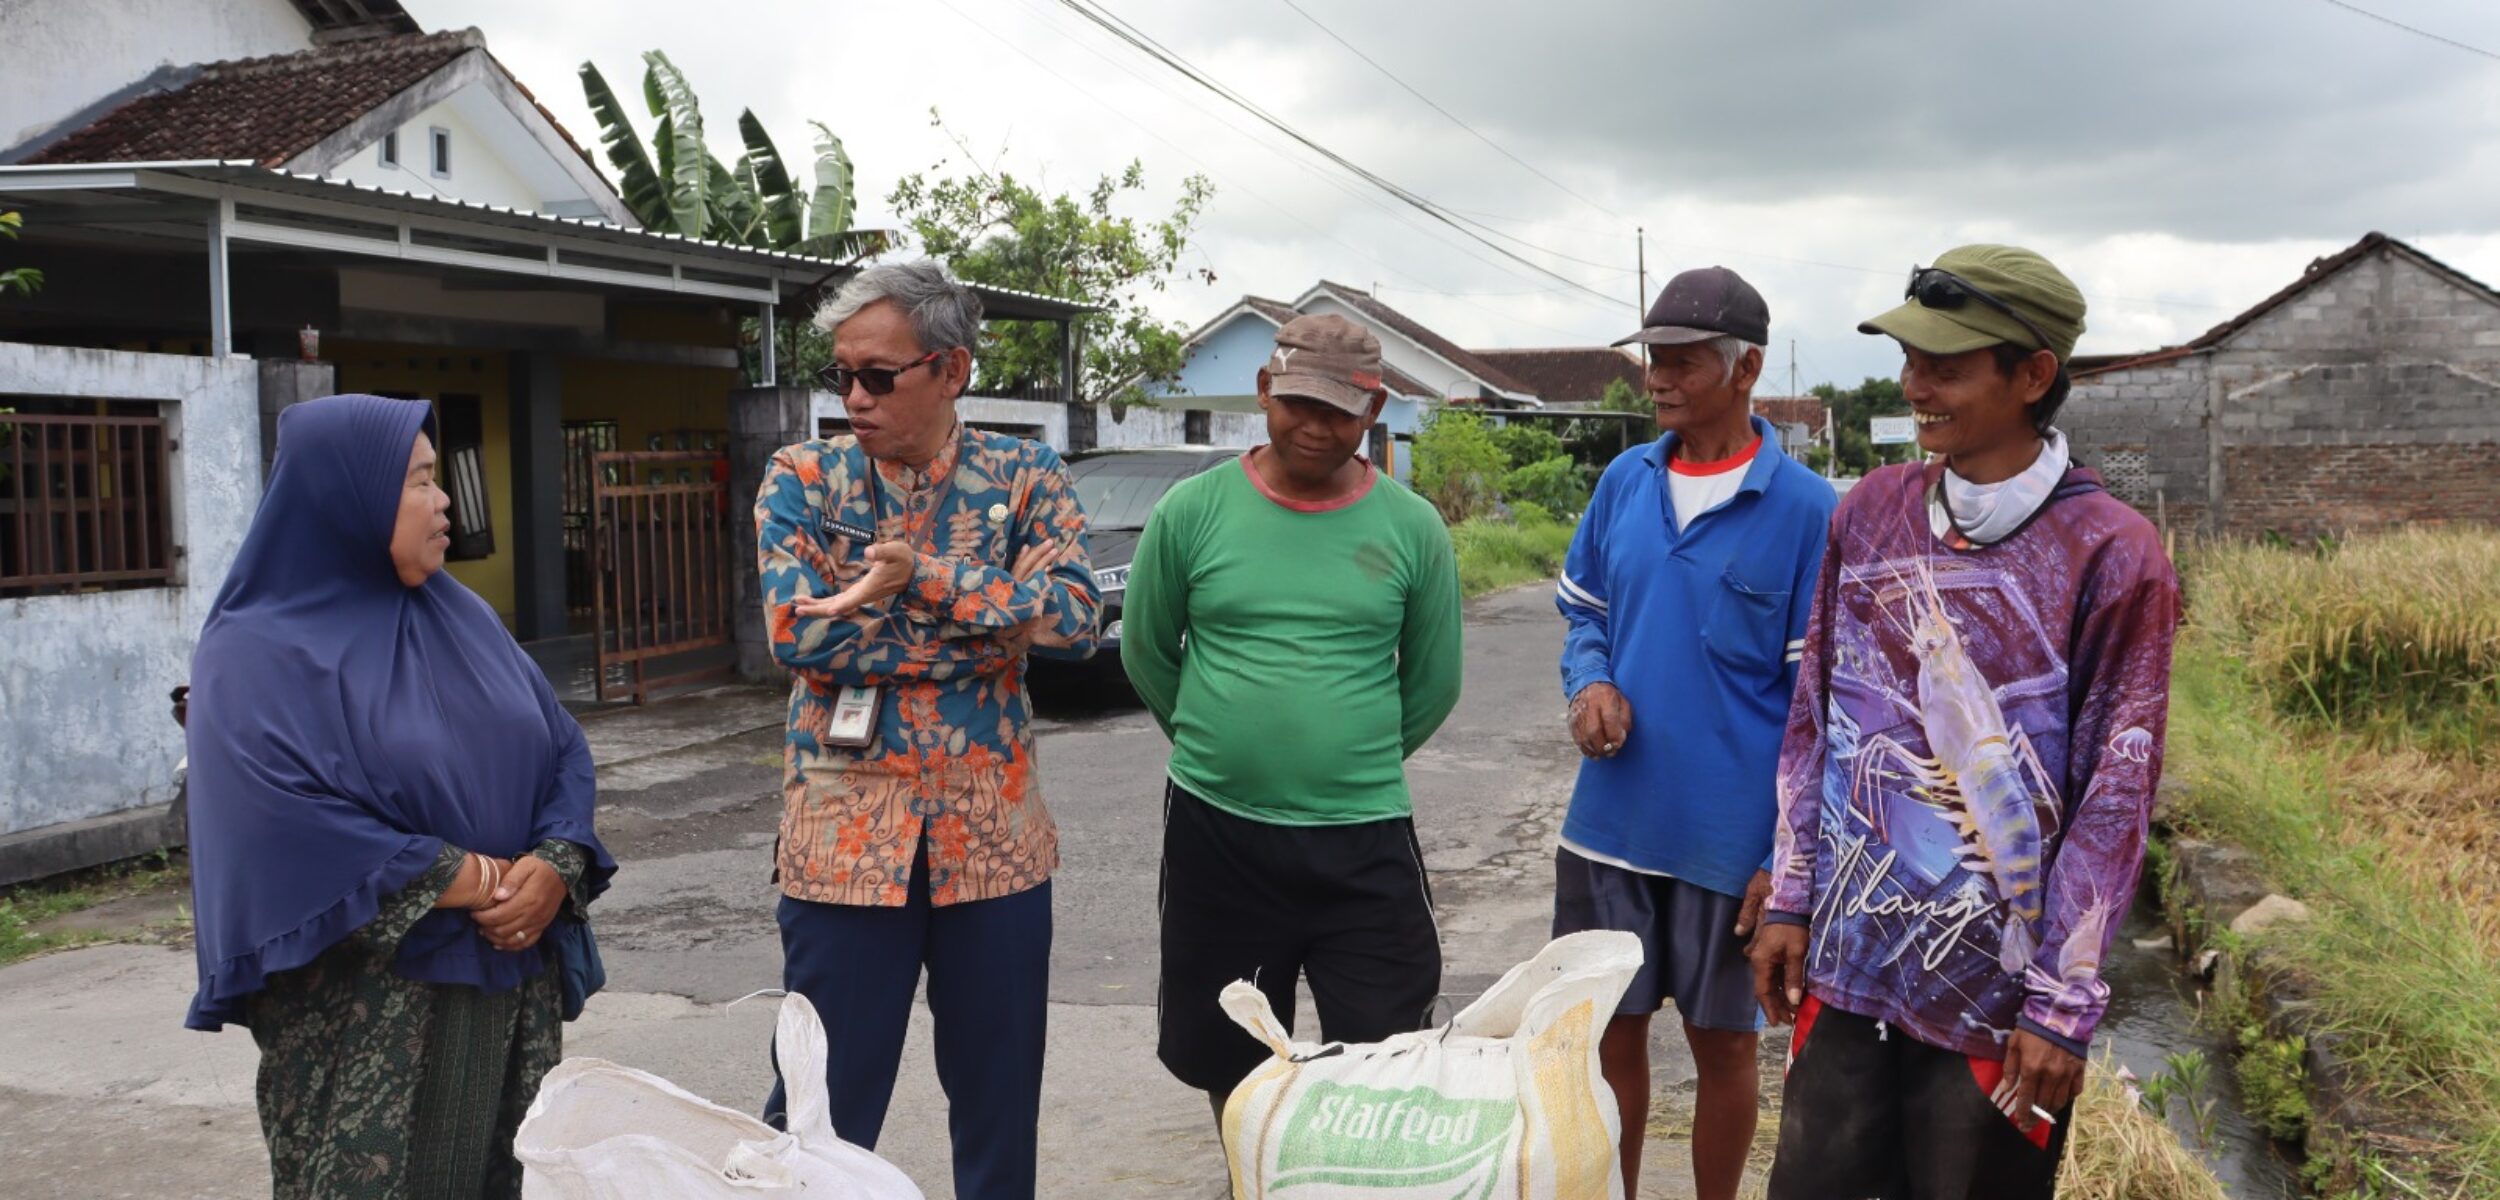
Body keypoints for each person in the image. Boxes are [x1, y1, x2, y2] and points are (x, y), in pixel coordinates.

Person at [1750, 245, 2181, 1199]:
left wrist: (2061, 1005)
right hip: (1850, 977)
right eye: (1910, 360)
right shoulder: (1870, 511)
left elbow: (2115, 799)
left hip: (1998, 1013)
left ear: (2033, 374)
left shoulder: (2114, 553)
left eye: (1945, 366)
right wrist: (1790, 896)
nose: (1915, 386)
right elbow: (1815, 721)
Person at [184, 393, 615, 1200]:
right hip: (368, 1013)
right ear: (346, 498)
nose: (444, 500)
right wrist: (480, 880)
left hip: (510, 989)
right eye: (418, 481)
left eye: (436, 477)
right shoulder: (254, 653)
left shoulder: (463, 618)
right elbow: (274, 820)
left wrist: (555, 863)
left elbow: (560, 744)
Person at [754, 259, 1101, 1200]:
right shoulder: (803, 478)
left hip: (994, 842)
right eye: (841, 376)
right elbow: (799, 636)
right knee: (818, 1111)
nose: (854, 399)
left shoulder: (1026, 477)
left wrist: (925, 579)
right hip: (843, 844)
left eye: (878, 376)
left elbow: (1075, 620)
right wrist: (989, 631)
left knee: (998, 1103)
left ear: (952, 371)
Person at [1122, 312, 1464, 1129]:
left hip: (1363, 836)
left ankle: (1355, 1178)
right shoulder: (1191, 511)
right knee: (1227, 1053)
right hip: (1218, 832)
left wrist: (1349, 757)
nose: (1315, 427)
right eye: (1299, 404)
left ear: (1372, 411)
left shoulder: (1412, 528)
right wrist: (1215, 743)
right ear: (1264, 391)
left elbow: (1433, 682)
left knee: (1384, 1051)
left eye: (1338, 411)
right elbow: (1146, 650)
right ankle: (1251, 1175)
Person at [1550, 266, 1834, 1198]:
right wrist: (1591, 681)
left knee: (1723, 1047)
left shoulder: (1807, 511)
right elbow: (1586, 612)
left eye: (1682, 361)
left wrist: (1785, 861)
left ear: (1745, 368)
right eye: (1653, 359)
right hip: (1610, 829)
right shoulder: (1624, 482)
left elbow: (1819, 708)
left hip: (1729, 843)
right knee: (1608, 1035)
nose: (1658, 379)